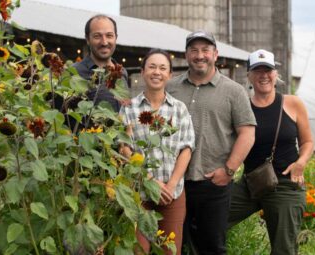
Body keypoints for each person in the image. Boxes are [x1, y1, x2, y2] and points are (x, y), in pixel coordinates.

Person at [166, 31, 256, 254]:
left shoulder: (233, 91)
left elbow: (247, 134)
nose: (200, 55)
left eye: (205, 50)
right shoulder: (171, 88)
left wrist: (228, 170)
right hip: (174, 182)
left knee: (212, 247)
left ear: (216, 54)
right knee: (172, 246)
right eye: (194, 50)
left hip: (213, 183)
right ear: (186, 55)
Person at [228, 49, 314, 255]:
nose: (263, 75)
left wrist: (301, 162)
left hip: (285, 184)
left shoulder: (292, 103)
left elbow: (308, 141)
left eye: (268, 70)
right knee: (208, 220)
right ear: (249, 75)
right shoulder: (242, 107)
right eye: (257, 70)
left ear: (276, 74)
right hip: (251, 183)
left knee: (283, 249)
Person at [120, 49, 195, 255]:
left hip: (172, 195)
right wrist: (150, 181)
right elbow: (124, 149)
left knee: (170, 251)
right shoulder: (129, 109)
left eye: (163, 68)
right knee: (137, 251)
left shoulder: (179, 109)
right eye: (152, 67)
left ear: (169, 75)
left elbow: (186, 149)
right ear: (143, 72)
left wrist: (170, 186)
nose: (157, 72)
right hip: (139, 193)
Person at [72, 14, 128, 112]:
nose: (104, 42)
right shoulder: (75, 72)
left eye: (109, 35)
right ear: (88, 39)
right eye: (97, 36)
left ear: (116, 38)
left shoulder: (122, 72)